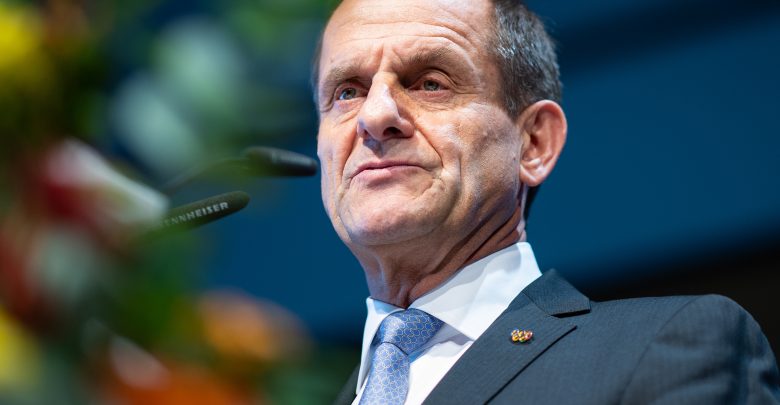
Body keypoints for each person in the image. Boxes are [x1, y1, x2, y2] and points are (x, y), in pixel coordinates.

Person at [312, 0, 780, 403]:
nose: (375, 115)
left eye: (430, 83)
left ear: (534, 143)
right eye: (347, 93)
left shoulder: (665, 346)